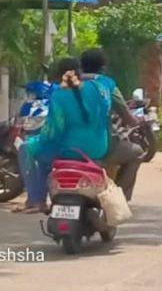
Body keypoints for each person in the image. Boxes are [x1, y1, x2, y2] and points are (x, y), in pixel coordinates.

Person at [15, 58, 111, 213]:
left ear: (60, 75)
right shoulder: (99, 88)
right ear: (80, 71)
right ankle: (37, 198)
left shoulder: (59, 95)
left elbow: (53, 131)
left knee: (27, 149)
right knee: (42, 152)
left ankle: (35, 200)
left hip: (70, 150)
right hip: (100, 147)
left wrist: (37, 141)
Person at [79, 49, 144, 201]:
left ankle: (37, 199)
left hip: (67, 146)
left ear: (80, 66)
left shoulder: (66, 85)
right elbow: (126, 116)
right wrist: (137, 121)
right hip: (99, 146)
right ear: (103, 68)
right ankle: (118, 199)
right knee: (137, 152)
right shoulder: (107, 85)